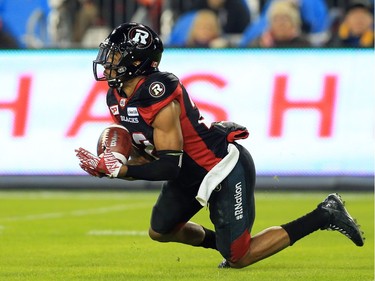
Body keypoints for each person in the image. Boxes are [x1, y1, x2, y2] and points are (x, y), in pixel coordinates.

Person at [75, 22, 364, 268]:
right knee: (161, 231)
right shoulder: (116, 97)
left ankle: (325, 213)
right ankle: (225, 245)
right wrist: (110, 164)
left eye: (115, 55)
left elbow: (168, 165)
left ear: (136, 62)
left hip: (219, 168)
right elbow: (147, 152)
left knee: (240, 258)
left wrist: (123, 170)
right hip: (188, 170)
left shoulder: (156, 92)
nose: (108, 60)